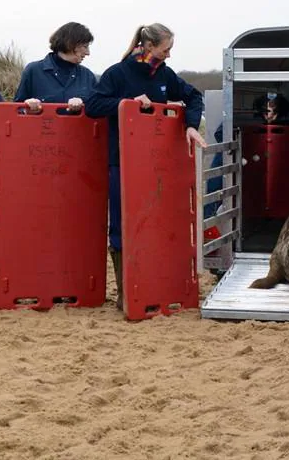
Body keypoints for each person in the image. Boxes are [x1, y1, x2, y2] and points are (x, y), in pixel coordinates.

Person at [85, 23, 207, 310]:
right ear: (149, 46)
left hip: (154, 164)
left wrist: (189, 125)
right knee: (121, 224)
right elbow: (93, 105)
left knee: (153, 221)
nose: (169, 55)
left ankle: (152, 285)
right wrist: (125, 103)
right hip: (121, 162)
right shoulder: (118, 73)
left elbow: (194, 96)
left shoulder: (164, 74)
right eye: (166, 49)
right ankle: (126, 293)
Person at [14, 22, 96, 112]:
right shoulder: (33, 71)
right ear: (70, 44)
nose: (88, 53)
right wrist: (27, 109)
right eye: (85, 47)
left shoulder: (88, 76)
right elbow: (15, 110)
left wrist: (83, 105)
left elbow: (98, 112)